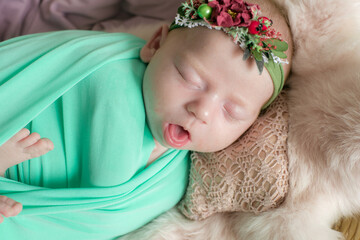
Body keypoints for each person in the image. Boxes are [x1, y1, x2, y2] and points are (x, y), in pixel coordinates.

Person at [0, 0, 292, 238]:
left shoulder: (177, 176)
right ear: (154, 45)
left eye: (231, 112)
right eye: (189, 78)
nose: (201, 110)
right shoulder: (115, 78)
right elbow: (106, 180)